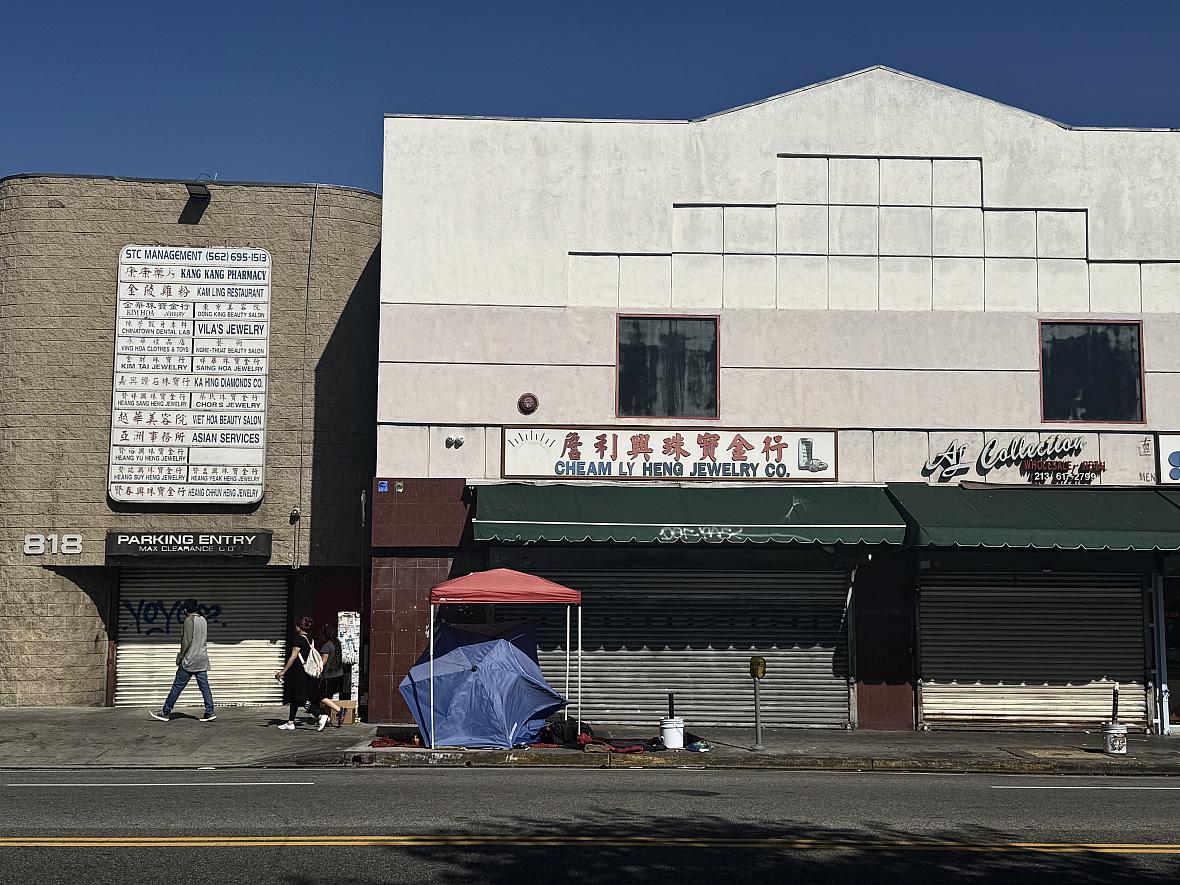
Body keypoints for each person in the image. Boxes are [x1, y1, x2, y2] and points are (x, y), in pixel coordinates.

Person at [149, 599, 216, 722]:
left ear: (185, 609)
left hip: (190, 660)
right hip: (202, 659)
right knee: (204, 687)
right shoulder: (203, 620)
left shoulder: (188, 620)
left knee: (177, 686)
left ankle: (165, 712)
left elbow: (187, 641)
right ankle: (210, 712)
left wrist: (180, 657)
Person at [274, 616, 345, 731]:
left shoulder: (299, 640)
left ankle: (320, 716)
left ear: (299, 627)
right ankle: (290, 722)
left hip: (299, 673)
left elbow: (293, 656)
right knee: (294, 697)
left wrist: (282, 671)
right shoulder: (310, 640)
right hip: (306, 673)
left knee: (301, 699)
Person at [319, 624, 345, 703]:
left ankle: (339, 710)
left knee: (321, 697)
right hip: (339, 674)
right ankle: (330, 713)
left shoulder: (327, 645)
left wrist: (317, 670)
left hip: (329, 675)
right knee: (331, 696)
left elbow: (324, 661)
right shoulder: (337, 643)